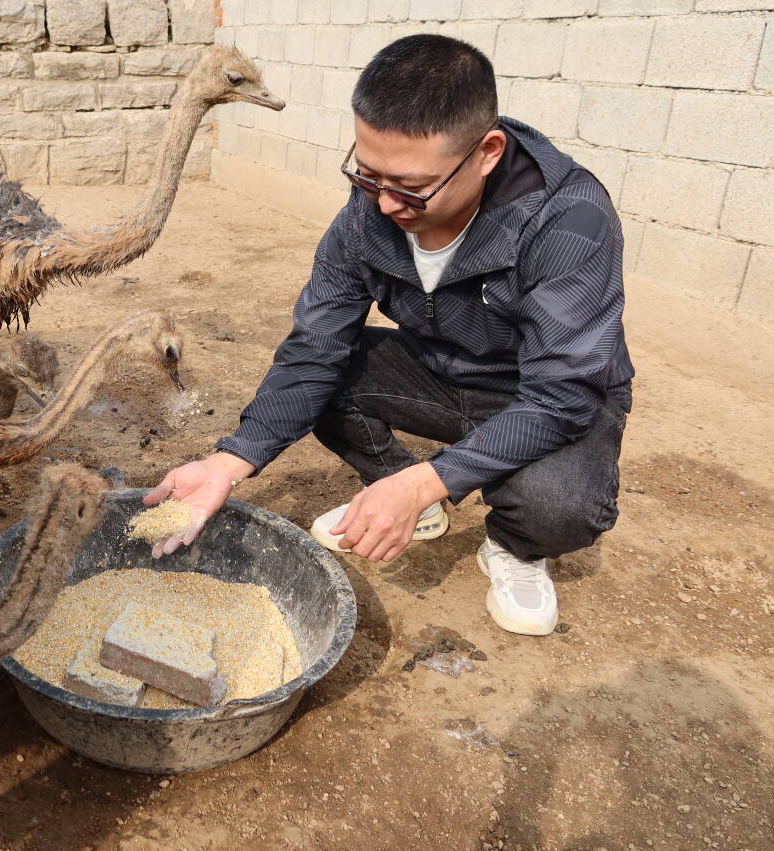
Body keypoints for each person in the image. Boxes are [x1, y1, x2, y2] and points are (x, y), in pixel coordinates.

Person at [143, 34, 633, 636]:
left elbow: (561, 396)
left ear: (486, 152)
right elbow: (315, 349)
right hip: (438, 371)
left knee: (560, 506)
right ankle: (398, 492)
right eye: (367, 173)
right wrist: (230, 459)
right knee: (324, 381)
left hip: (540, 393)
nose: (382, 203)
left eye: (409, 187)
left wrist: (430, 480)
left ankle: (513, 547)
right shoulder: (367, 212)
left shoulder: (568, 219)